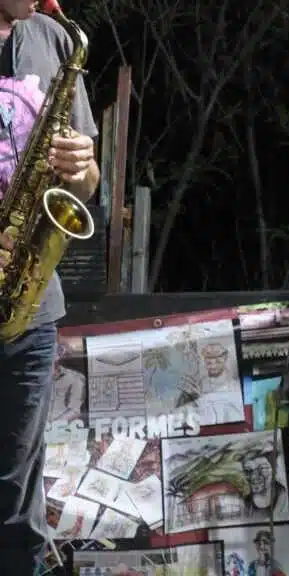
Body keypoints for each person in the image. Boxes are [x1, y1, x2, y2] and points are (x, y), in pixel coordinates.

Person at [0, 0, 100, 571]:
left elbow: (86, 184)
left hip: (28, 309)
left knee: (18, 504)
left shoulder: (55, 39)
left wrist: (84, 164)